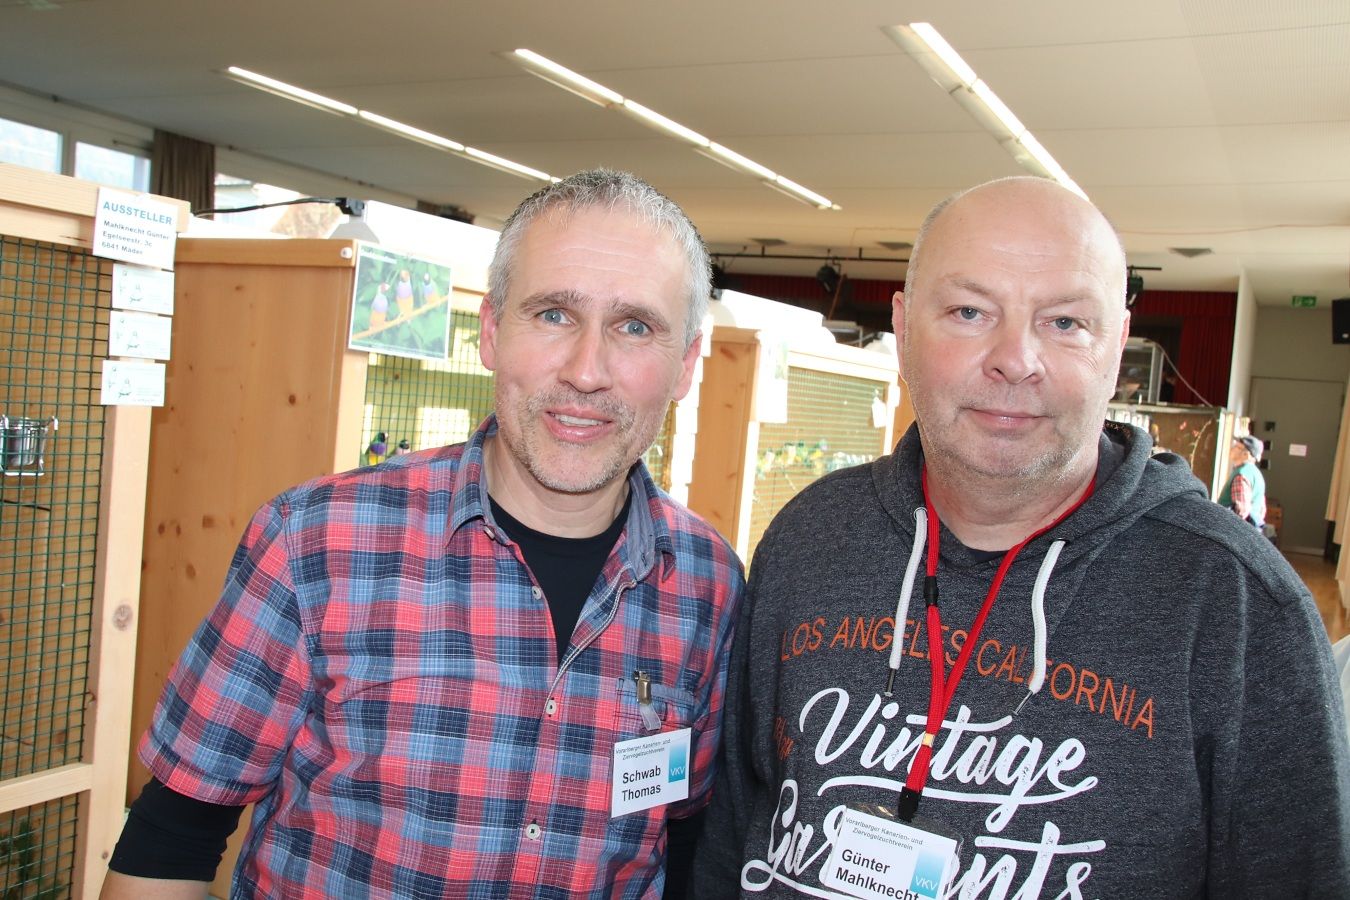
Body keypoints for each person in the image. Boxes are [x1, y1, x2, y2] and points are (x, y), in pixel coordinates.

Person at [694, 176, 1350, 897]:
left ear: (1117, 347)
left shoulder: (1240, 606)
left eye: (1064, 322)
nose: (1015, 359)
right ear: (904, 328)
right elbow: (731, 836)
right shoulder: (809, 537)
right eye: (970, 312)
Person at [102, 170, 744, 899]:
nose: (587, 371)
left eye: (634, 327)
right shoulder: (316, 543)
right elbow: (173, 837)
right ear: (492, 332)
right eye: (554, 314)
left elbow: (687, 839)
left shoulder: (711, 586)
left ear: (685, 364)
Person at [1219, 434, 1267, 529]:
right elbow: (1262, 510)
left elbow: (1241, 512)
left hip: (1233, 531)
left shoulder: (1242, 475)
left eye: (1237, 447)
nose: (1232, 448)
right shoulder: (1257, 475)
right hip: (1250, 532)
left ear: (1246, 454)